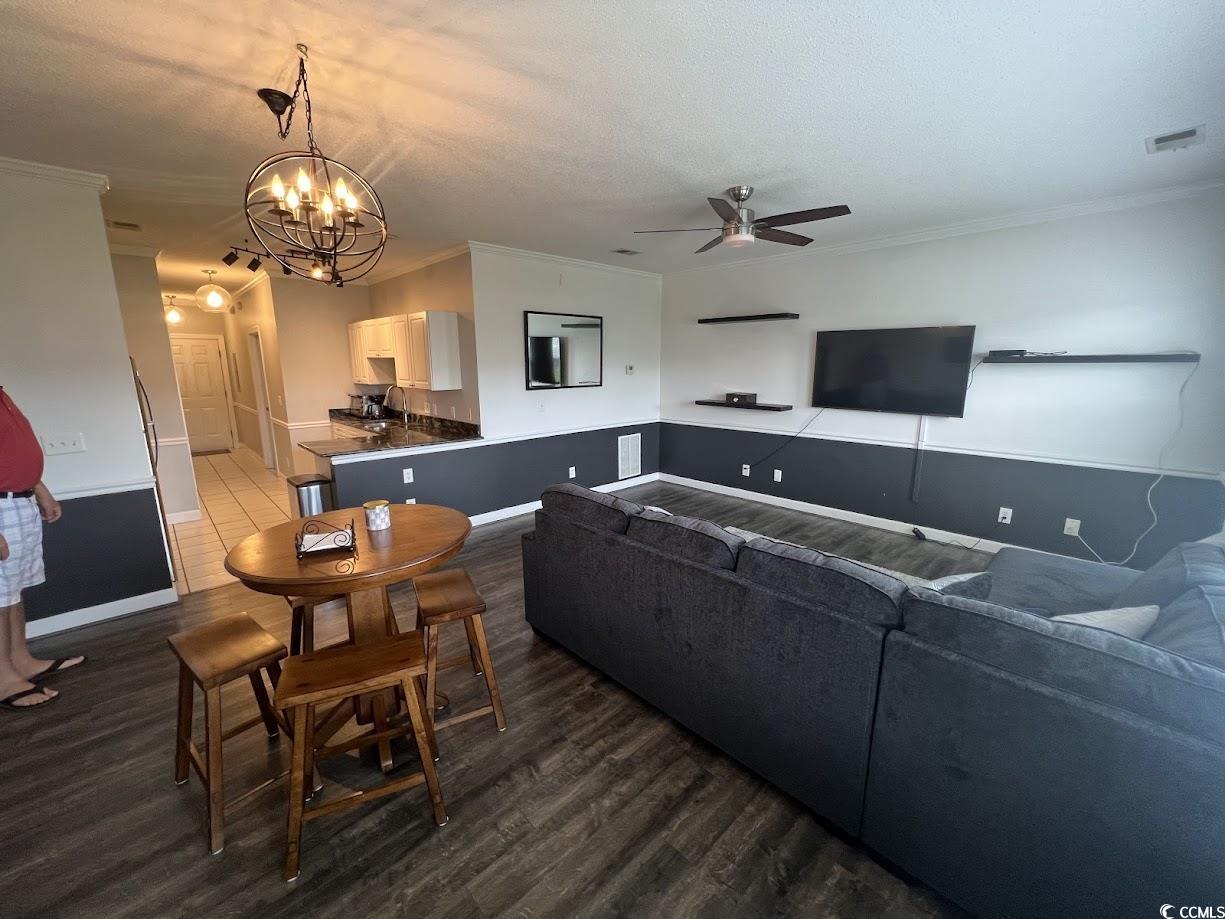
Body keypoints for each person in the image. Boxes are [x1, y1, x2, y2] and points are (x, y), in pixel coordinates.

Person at [0, 386, 84, 710]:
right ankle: (4, 679)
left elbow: (11, 452)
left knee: (12, 591)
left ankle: (20, 660)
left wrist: (40, 489)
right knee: (0, 596)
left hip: (18, 501)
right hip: (2, 508)